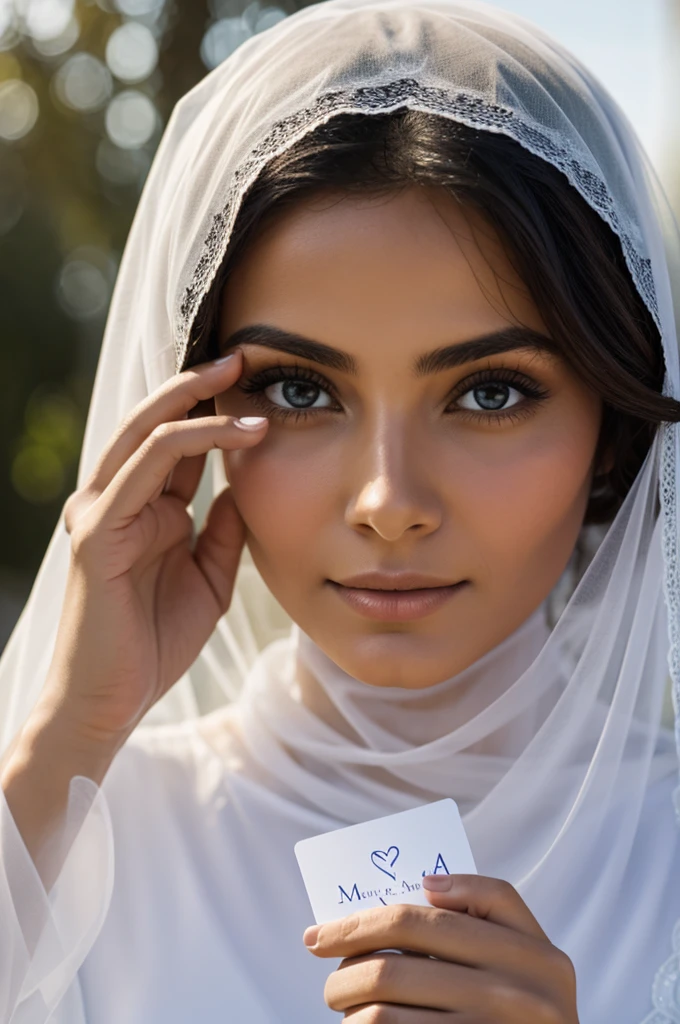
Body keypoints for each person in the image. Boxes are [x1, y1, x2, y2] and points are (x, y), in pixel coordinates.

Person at [1, 0, 679, 1020]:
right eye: (299, 389)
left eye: (488, 391)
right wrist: (65, 743)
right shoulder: (74, 835)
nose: (387, 503)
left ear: (611, 429)